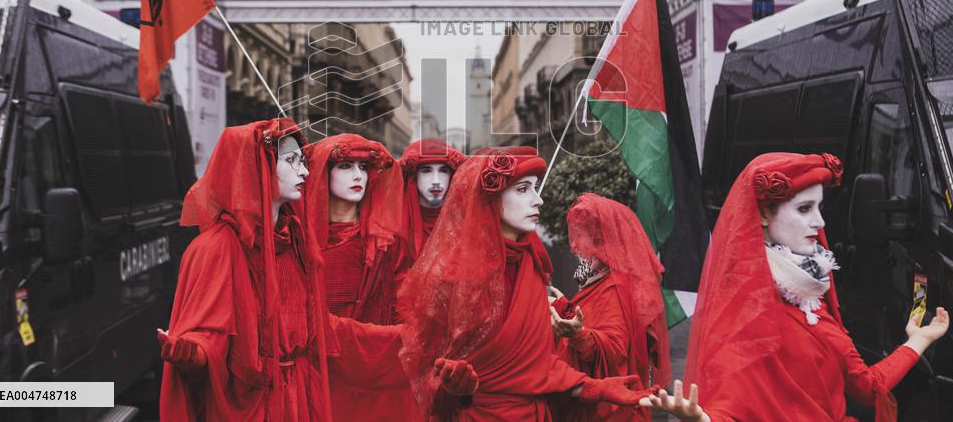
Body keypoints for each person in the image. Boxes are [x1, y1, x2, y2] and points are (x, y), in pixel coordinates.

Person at [644, 152, 949, 422]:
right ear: (763, 214)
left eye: (819, 207)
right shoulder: (745, 309)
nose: (819, 221)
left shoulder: (813, 297)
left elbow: (867, 386)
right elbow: (733, 404)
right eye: (804, 208)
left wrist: (919, 340)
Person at [399, 147, 658, 421]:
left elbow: (538, 367)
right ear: (490, 196)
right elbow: (422, 369)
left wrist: (597, 387)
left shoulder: (531, 268)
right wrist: (452, 390)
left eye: (535, 188)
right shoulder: (450, 274)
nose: (539, 201)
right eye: (523, 189)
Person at [158, 118, 331, 421]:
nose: (303, 171)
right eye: (291, 161)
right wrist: (190, 352)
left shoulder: (296, 238)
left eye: (302, 161)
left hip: (300, 398)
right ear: (256, 166)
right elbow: (208, 335)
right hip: (255, 407)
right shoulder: (215, 248)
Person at [304, 132, 418, 420]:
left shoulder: (388, 243)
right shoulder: (300, 241)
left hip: (374, 384)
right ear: (322, 173)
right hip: (315, 379)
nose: (358, 175)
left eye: (363, 167)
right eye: (345, 166)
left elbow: (404, 308)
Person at [549, 193, 671, 422]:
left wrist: (577, 335)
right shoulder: (599, 280)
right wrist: (565, 309)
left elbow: (614, 351)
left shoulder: (614, 288)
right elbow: (592, 320)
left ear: (605, 243)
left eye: (587, 237)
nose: (576, 246)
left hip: (610, 413)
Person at [400, 137, 466, 258]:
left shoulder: (467, 223)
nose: (436, 181)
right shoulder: (393, 227)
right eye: (426, 171)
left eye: (443, 171)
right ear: (414, 177)